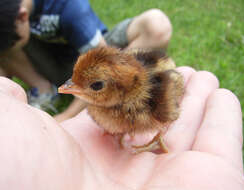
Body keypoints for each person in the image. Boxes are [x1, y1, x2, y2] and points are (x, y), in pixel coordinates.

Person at [0, 67, 244, 189]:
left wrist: (157, 137)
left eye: (93, 86)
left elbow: (164, 110)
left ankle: (158, 137)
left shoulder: (137, 102)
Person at [0, 0, 172, 122]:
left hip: (89, 61)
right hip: (56, 65)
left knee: (156, 24)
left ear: (22, 16)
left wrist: (66, 117)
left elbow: (99, 67)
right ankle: (44, 91)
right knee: (7, 46)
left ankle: (116, 89)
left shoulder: (70, 8)